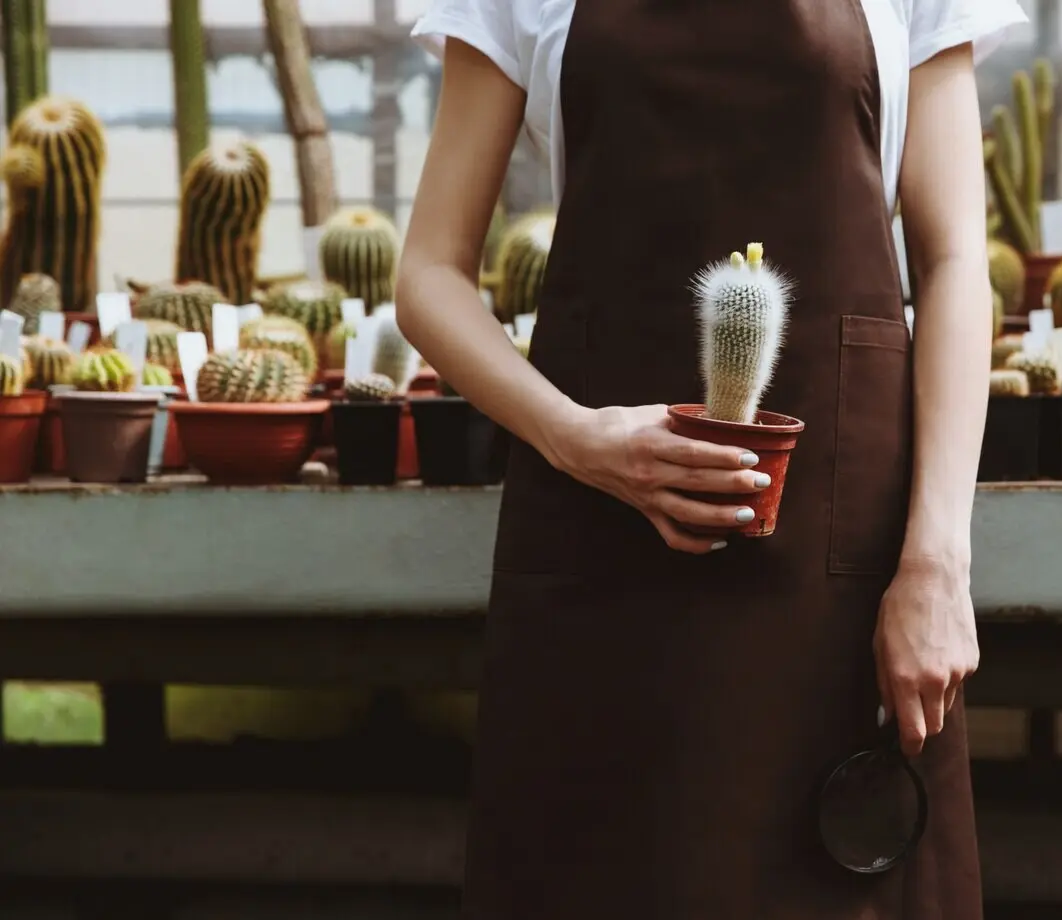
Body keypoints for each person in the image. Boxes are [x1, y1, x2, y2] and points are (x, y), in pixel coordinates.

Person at [398, 1, 1026, 917]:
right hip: (599, 524)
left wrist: (937, 562)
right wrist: (574, 437)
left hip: (839, 546)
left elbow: (956, 259)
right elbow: (427, 272)